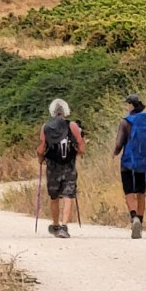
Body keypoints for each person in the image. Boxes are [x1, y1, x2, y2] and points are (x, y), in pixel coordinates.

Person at [113, 94, 146, 239]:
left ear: (131, 105)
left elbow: (119, 143)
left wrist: (115, 153)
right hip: (145, 163)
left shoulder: (126, 122)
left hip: (128, 162)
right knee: (141, 192)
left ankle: (133, 217)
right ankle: (140, 222)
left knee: (129, 191)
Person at [36, 98, 85, 238]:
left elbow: (41, 148)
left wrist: (40, 160)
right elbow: (81, 147)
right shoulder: (73, 126)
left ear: (52, 111)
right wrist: (77, 153)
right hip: (69, 165)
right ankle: (64, 226)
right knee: (68, 195)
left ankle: (55, 225)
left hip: (52, 166)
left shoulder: (46, 127)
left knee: (54, 196)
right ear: (66, 111)